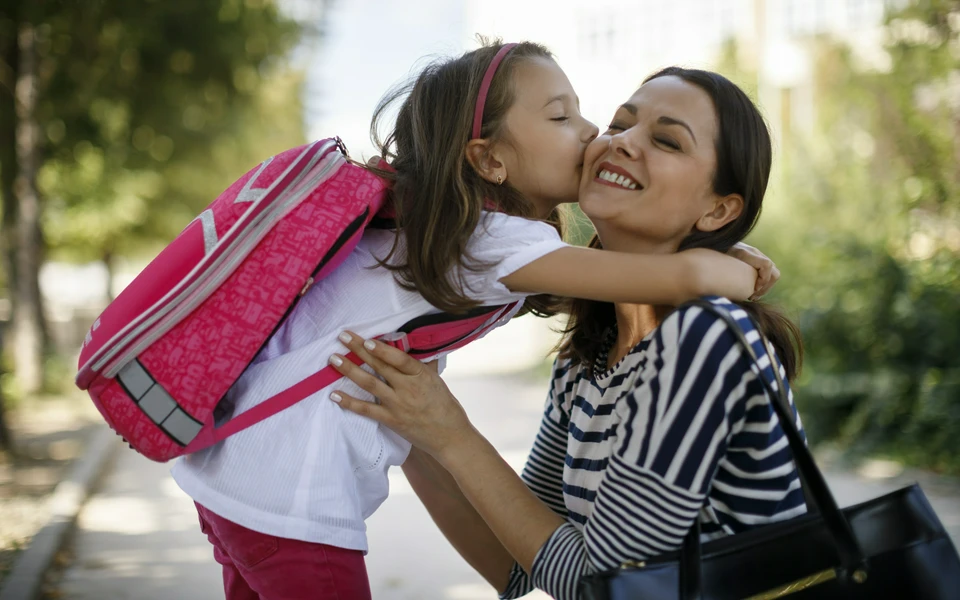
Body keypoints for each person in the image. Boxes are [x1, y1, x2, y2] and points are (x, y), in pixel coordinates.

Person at [327, 67, 807, 600]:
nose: (621, 142)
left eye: (666, 140)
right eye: (620, 124)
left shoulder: (707, 341)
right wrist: (407, 417)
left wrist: (452, 435)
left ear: (719, 210)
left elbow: (602, 587)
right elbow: (522, 564)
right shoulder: (590, 358)